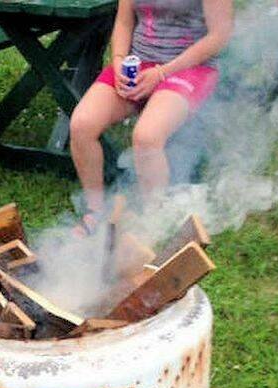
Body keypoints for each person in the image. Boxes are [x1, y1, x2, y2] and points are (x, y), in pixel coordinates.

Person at [70, 0, 233, 234]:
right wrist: (119, 61)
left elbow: (220, 35)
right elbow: (124, 23)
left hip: (191, 68)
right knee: (82, 124)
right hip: (139, 64)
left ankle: (152, 221)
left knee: (147, 137)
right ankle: (95, 211)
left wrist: (162, 73)